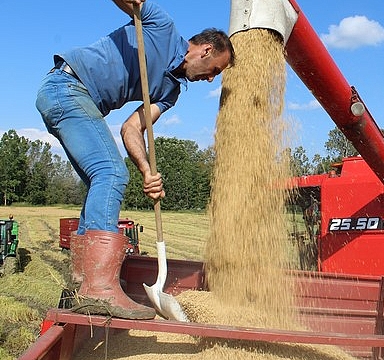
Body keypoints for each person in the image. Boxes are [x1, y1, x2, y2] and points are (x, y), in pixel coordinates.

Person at [35, 0, 235, 320]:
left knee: (100, 180)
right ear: (206, 50)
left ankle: (82, 282)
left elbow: (132, 128)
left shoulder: (171, 92)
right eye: (214, 71)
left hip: (73, 98)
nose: (211, 79)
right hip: (67, 86)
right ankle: (98, 288)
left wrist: (147, 172)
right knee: (111, 173)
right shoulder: (161, 26)